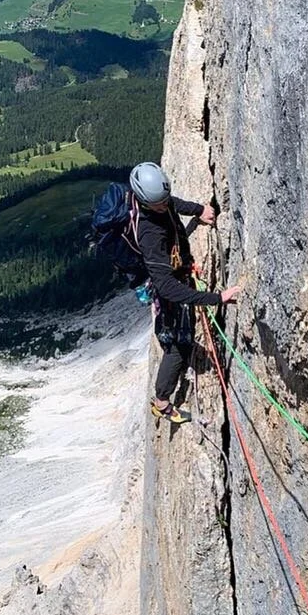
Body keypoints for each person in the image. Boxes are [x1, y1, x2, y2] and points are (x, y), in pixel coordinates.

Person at [129, 161, 242, 425]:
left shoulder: (157, 201)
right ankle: (162, 402)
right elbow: (167, 287)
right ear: (145, 203)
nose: (164, 205)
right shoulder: (148, 233)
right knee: (177, 347)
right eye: (159, 204)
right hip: (169, 291)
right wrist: (217, 298)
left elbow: (172, 204)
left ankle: (163, 398)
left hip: (178, 271)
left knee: (180, 340)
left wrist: (199, 209)